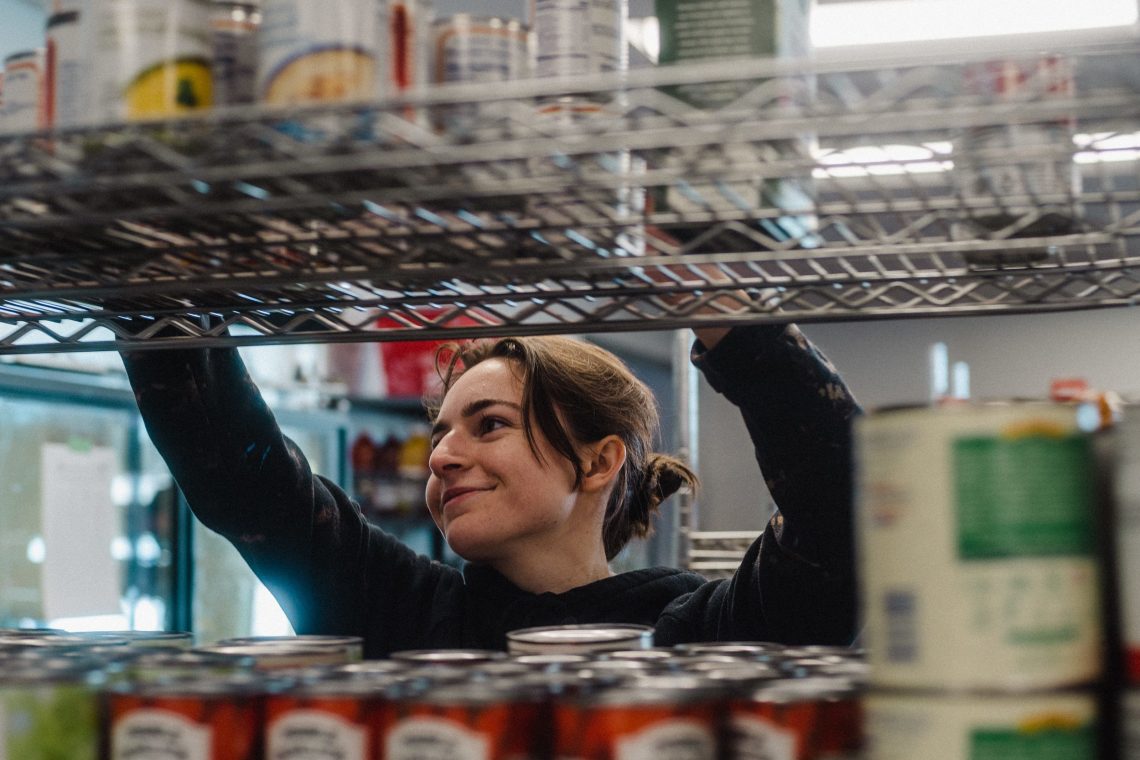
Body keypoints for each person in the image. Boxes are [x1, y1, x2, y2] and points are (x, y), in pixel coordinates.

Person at [121, 321, 860, 658]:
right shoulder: (398, 605)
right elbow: (243, 479)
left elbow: (848, 519)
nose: (443, 456)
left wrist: (728, 316)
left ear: (598, 463)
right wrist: (159, 303)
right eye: (442, 432)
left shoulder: (687, 633)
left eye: (489, 424)